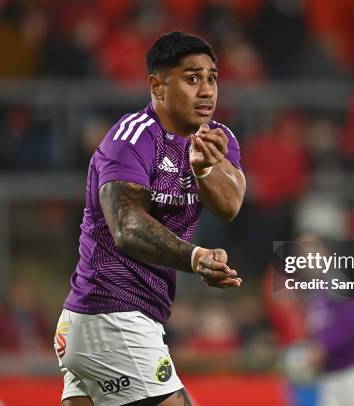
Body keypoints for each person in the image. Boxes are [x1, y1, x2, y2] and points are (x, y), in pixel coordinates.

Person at [54, 31, 246, 406]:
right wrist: (196, 257)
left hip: (101, 322)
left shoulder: (217, 138)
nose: (206, 90)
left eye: (212, 78)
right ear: (157, 87)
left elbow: (230, 205)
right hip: (111, 311)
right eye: (192, 79)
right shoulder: (131, 139)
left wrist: (206, 170)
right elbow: (126, 227)